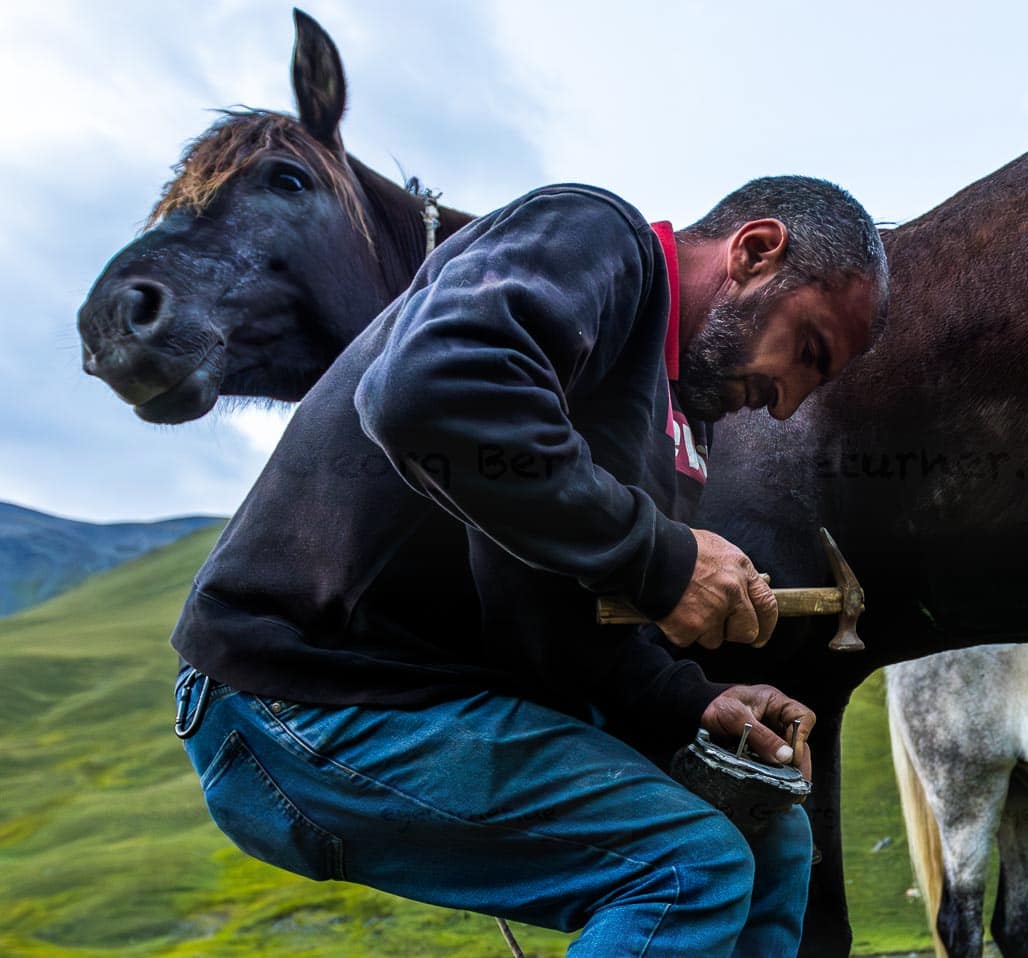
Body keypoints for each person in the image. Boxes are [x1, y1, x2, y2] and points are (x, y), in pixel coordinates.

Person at [170, 176, 887, 957]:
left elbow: (563, 614)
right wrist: (660, 557)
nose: (784, 407)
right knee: (688, 866)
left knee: (766, 832)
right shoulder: (598, 239)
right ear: (754, 252)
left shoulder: (673, 416)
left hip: (428, 701)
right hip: (298, 695)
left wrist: (689, 700)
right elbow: (424, 393)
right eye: (807, 351)